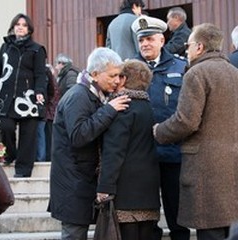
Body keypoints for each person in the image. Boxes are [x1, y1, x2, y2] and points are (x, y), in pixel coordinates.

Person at [153, 23, 238, 240]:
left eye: (188, 45)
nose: (186, 50)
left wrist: (159, 131)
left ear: (199, 47)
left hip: (205, 169)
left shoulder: (196, 73)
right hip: (231, 168)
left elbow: (186, 121)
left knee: (210, 232)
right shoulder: (234, 73)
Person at [48, 47, 131, 240]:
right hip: (72, 184)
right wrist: (109, 110)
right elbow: (78, 135)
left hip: (80, 183)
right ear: (94, 74)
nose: (117, 81)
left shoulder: (93, 94)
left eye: (119, 75)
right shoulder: (78, 96)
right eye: (112, 76)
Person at [131, 15, 190, 240]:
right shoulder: (129, 68)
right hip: (141, 155)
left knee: (177, 213)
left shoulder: (181, 66)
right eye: (141, 40)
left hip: (172, 152)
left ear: (162, 40)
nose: (145, 44)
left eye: (150, 39)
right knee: (146, 215)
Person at [96, 59, 160, 240]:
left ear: (123, 80)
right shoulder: (148, 106)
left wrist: (105, 187)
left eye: (118, 76)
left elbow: (114, 151)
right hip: (148, 187)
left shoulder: (122, 107)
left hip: (126, 189)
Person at [0, 13, 47, 177]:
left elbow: (41, 74)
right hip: (6, 97)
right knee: (6, 127)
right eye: (17, 24)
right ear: (13, 27)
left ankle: (24, 169)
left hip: (28, 98)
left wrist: (40, 91)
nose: (20, 27)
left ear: (29, 29)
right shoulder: (5, 47)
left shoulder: (37, 50)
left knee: (28, 135)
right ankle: (11, 154)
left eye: (24, 25)